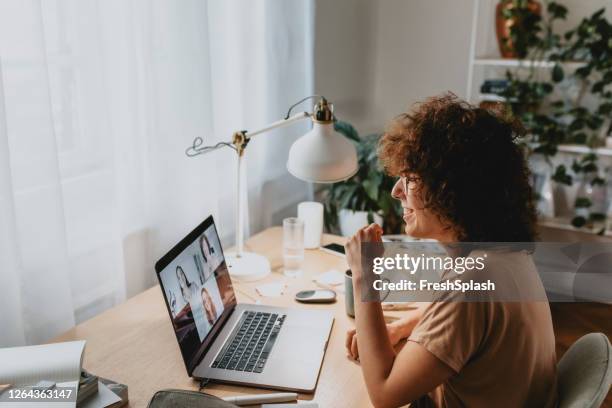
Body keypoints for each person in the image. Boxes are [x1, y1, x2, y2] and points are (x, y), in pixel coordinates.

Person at [344, 93, 557, 407]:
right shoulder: (505, 257)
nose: (396, 191)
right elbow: (467, 319)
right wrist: (402, 327)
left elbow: (385, 394)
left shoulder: (472, 276)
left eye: (410, 178)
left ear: (450, 189)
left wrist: (365, 276)